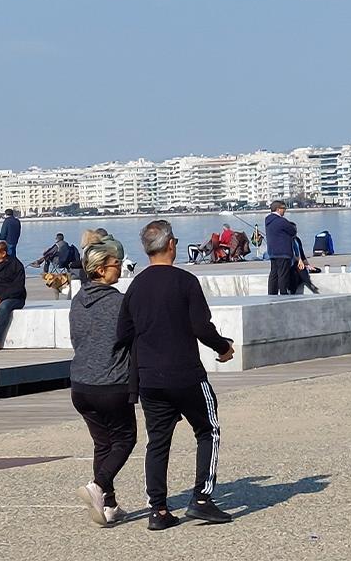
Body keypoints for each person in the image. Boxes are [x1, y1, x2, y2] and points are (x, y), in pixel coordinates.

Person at [115, 220, 236, 530]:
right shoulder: (185, 281)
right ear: (170, 245)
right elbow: (201, 327)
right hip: (185, 373)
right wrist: (223, 348)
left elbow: (124, 332)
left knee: (157, 441)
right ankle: (202, 499)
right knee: (208, 429)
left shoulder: (136, 286)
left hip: (149, 378)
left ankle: (158, 510)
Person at [69, 235, 134, 527]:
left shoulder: (77, 301)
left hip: (80, 384)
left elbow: (76, 339)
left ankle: (108, 505)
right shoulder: (120, 303)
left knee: (102, 444)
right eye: (114, 264)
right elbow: (131, 339)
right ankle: (97, 486)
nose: (119, 268)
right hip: (111, 383)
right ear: (100, 270)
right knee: (125, 439)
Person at [265, 200, 299, 295]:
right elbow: (292, 231)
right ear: (278, 209)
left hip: (272, 251)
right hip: (283, 251)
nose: (285, 211)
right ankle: (283, 293)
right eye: (284, 209)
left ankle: (272, 293)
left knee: (274, 274)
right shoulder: (281, 221)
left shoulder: (268, 220)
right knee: (283, 274)